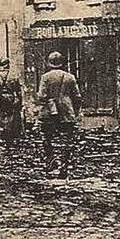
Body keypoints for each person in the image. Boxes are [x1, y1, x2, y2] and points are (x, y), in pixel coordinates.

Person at [35, 51, 82, 179]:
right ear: (62, 63)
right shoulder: (70, 77)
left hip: (49, 113)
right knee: (67, 140)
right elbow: (77, 97)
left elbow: (41, 96)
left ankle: (51, 160)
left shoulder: (45, 77)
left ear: (50, 64)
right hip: (67, 112)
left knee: (46, 138)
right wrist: (75, 111)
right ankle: (64, 166)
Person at [0, 59, 24, 149]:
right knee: (10, 121)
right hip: (11, 99)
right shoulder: (14, 76)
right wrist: (19, 104)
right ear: (8, 65)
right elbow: (19, 92)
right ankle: (9, 141)